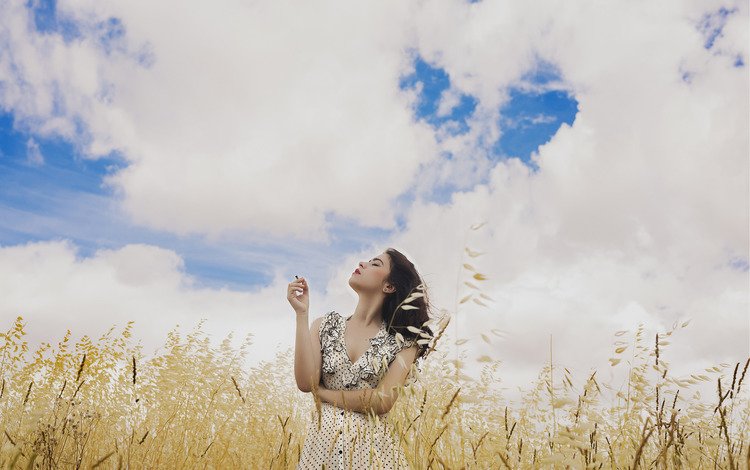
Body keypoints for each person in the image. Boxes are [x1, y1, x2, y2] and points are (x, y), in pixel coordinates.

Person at [289, 248, 434, 469]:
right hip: (321, 452)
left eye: (376, 264)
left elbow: (382, 401)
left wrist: (325, 394)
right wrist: (301, 314)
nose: (362, 263)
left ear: (389, 286)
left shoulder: (404, 342)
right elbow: (306, 382)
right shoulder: (325, 325)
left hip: (374, 455)